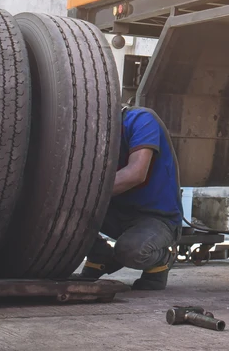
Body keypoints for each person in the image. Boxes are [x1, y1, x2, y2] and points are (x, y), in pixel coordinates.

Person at [76, 107, 182, 290]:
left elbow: (135, 174)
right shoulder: (88, 131)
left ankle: (162, 260)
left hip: (156, 217)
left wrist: (84, 194)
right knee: (62, 217)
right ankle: (100, 255)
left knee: (131, 251)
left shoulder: (141, 120)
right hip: (114, 213)